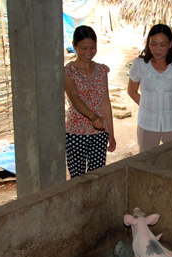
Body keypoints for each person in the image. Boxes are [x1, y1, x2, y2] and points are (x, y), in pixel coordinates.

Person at [127, 24, 172, 153]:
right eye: (153, 44)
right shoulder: (139, 64)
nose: (157, 49)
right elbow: (132, 91)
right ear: (148, 43)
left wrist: (171, 108)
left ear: (170, 44)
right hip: (147, 124)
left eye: (162, 44)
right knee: (147, 162)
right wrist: (149, 107)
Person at [64, 25, 116, 179]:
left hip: (99, 132)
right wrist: (93, 117)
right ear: (74, 46)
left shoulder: (101, 71)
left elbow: (105, 102)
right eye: (83, 48)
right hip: (76, 132)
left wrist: (111, 134)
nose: (88, 52)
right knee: (77, 178)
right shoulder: (69, 71)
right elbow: (75, 98)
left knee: (97, 177)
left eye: (92, 48)